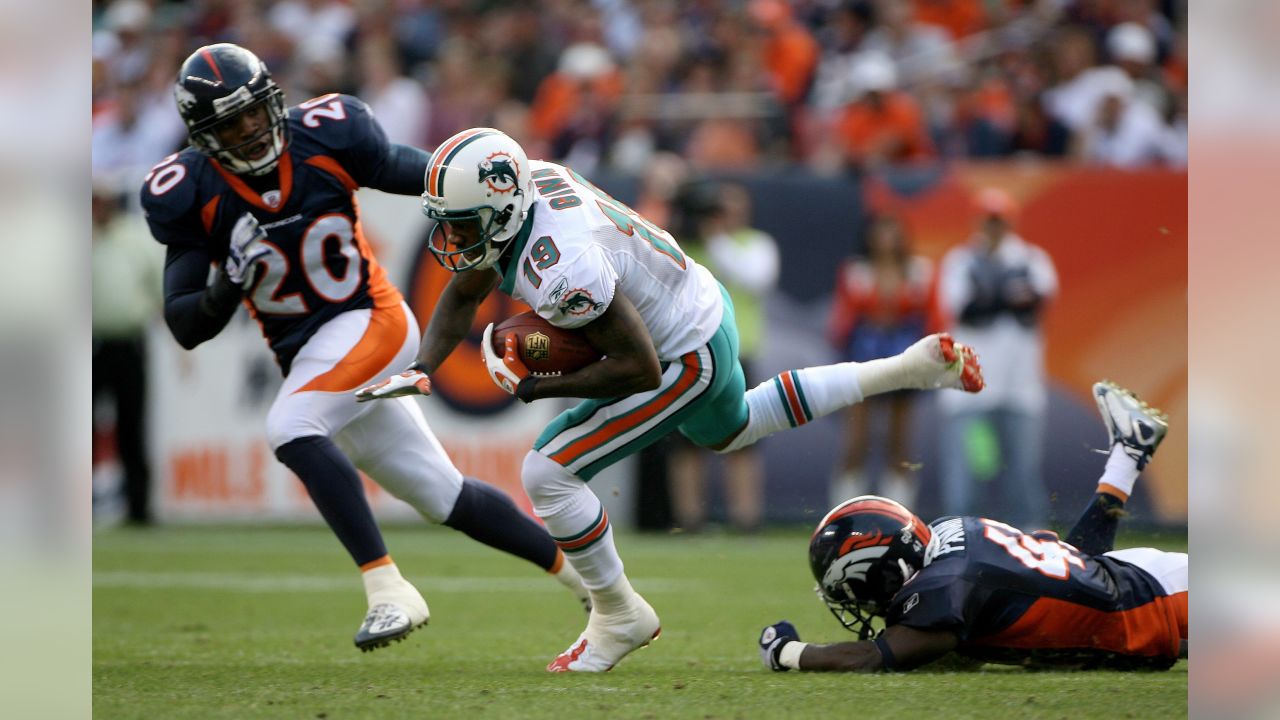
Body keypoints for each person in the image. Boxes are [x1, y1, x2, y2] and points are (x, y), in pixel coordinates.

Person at [355, 127, 985, 672]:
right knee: (733, 429)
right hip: (701, 306)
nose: (453, 237)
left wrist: (538, 385)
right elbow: (467, 290)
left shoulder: (561, 264)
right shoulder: (527, 191)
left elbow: (638, 366)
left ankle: (619, 614)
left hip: (682, 351)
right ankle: (905, 368)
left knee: (547, 470)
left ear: (499, 206)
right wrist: (422, 366)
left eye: (462, 222)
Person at [141, 43, 588, 653]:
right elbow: (186, 322)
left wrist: (510, 189)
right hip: (311, 354)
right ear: (201, 135)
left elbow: (433, 179)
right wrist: (226, 285)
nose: (247, 131)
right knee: (445, 495)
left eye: (252, 112)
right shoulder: (188, 190)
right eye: (228, 124)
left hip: (372, 319)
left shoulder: (326, 137)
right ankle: (593, 585)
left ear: (273, 100)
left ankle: (387, 589)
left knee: (292, 425)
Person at [758, 380, 1186, 672]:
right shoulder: (948, 537)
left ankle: (1128, 455)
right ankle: (1127, 455)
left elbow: (874, 657)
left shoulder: (946, 586)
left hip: (1160, 600)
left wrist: (789, 653)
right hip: (1133, 581)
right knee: (1087, 577)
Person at [937, 188, 1057, 529]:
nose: (993, 229)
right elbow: (965, 308)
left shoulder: (1032, 259)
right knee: (969, 476)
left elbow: (1036, 302)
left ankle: (1030, 548)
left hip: (1020, 389)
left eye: (999, 222)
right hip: (971, 390)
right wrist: (1005, 296)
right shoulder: (960, 261)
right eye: (988, 222)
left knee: (1022, 474)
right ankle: (961, 539)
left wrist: (992, 296)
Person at [667, 181, 778, 534]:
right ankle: (689, 520)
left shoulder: (755, 244)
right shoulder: (682, 244)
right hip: (686, 350)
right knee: (683, 440)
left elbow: (756, 279)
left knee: (744, 433)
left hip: (737, 350)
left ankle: (745, 518)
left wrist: (716, 238)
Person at [828, 214, 943, 508]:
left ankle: (898, 514)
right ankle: (846, 512)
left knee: (899, 443)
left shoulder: (920, 272)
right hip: (863, 363)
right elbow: (842, 322)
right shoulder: (856, 271)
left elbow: (933, 318)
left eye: (892, 231)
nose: (886, 239)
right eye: (880, 231)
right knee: (856, 442)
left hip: (904, 364)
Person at [93, 175, 164, 525]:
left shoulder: (133, 239)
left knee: (132, 426)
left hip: (128, 342)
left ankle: (138, 506)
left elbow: (157, 288)